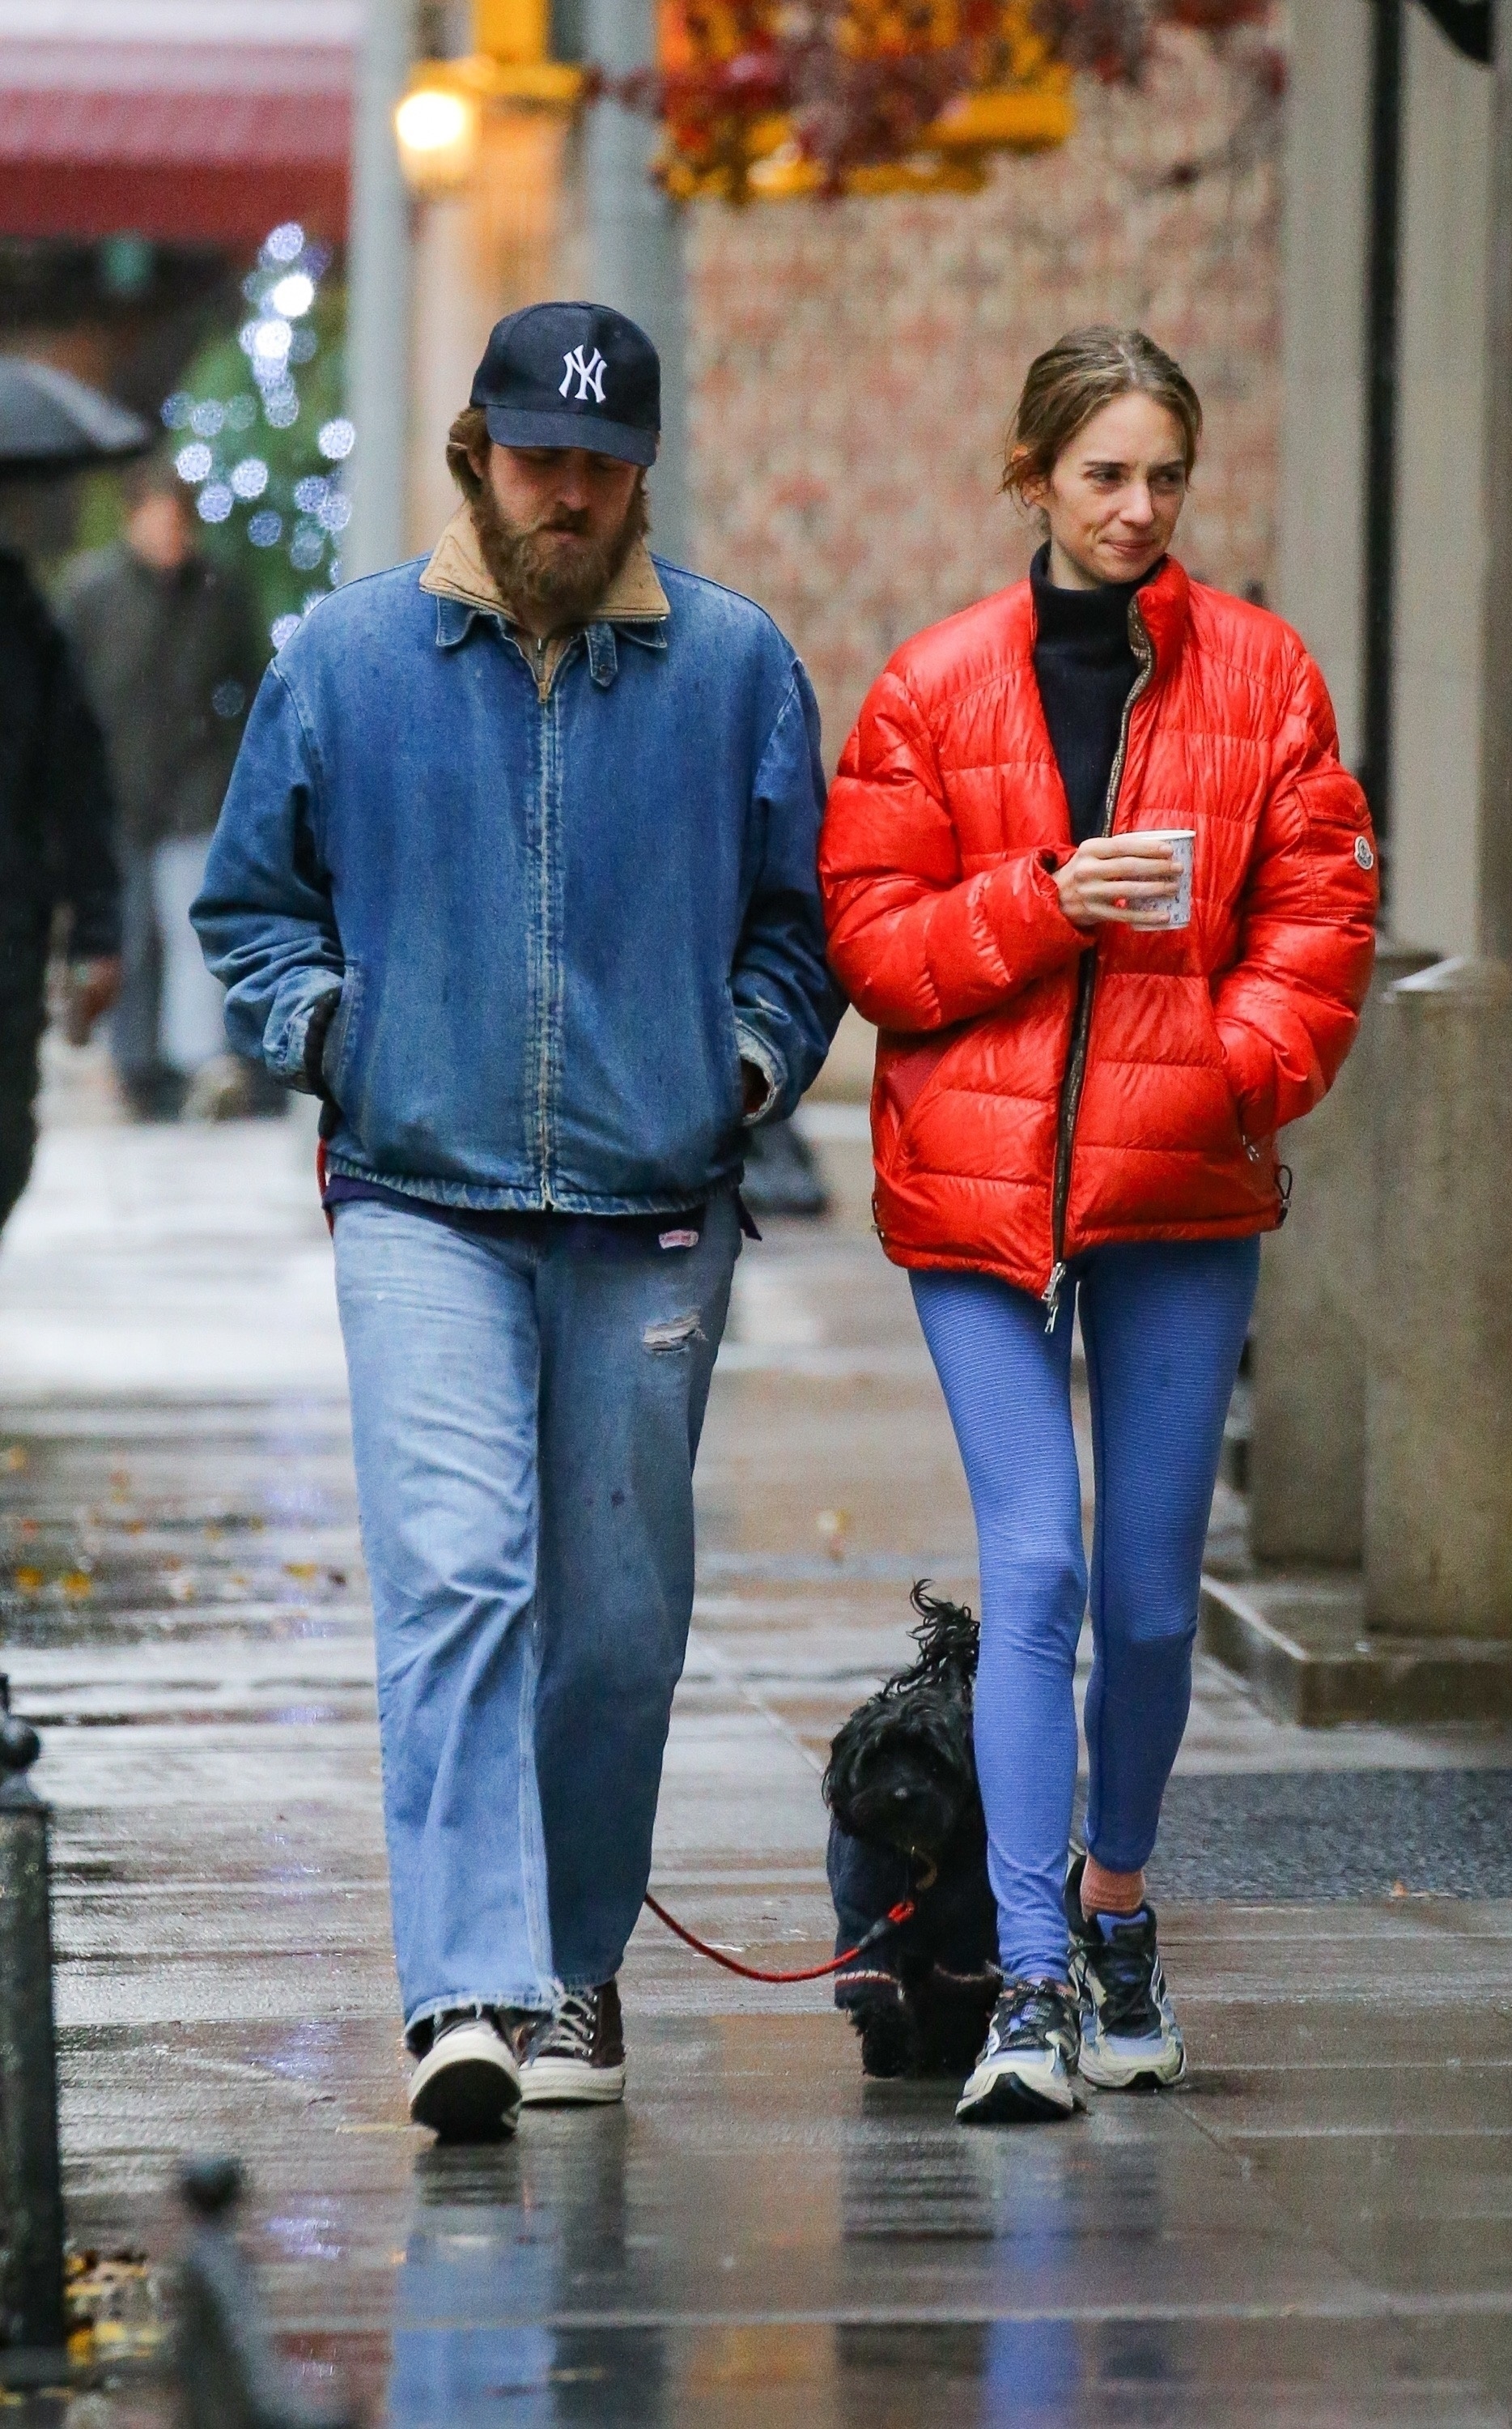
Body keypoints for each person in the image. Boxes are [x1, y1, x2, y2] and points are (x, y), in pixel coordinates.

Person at [193, 303, 835, 2141]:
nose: (568, 493)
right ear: (477, 446)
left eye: (602, 462)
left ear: (641, 469)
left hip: (650, 1208)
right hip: (417, 1193)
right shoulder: (348, 659)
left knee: (619, 1628)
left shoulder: (730, 669)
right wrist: (326, 1028)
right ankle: (466, 1987)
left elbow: (801, 929)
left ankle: (569, 1957)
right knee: (459, 1579)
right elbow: (252, 906)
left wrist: (737, 1068)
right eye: (538, 457)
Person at [819, 325, 1378, 2125]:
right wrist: (1044, 902)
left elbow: (1322, 913)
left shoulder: (1265, 678)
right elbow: (877, 949)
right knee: (1036, 1570)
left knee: (1146, 1603)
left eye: (1164, 478)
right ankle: (1031, 1981)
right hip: (978, 1202)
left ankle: (1120, 1910)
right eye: (1102, 476)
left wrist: (1230, 1069)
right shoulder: (934, 689)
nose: (1137, 511)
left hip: (1179, 1191)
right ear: (1032, 477)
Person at [57, 456, 264, 1121]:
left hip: (194, 786)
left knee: (189, 923)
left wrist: (230, 757)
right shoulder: (94, 594)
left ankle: (195, 1061)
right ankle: (135, 1063)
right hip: (114, 787)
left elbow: (252, 679)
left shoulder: (218, 591)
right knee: (129, 931)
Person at [0, 545, 121, 1236]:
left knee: (6, 1148)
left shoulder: (23, 620)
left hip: (9, 927)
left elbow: (78, 785)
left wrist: (98, 931)